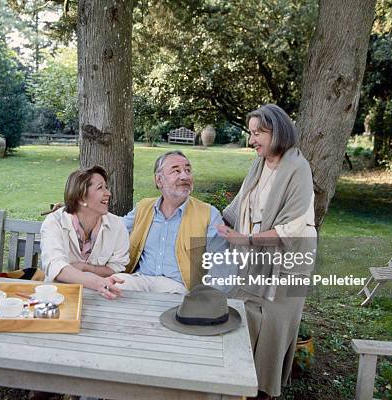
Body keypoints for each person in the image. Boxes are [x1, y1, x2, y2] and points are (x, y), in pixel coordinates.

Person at [217, 104, 316, 399]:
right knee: (244, 313)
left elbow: (292, 229)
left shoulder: (298, 168)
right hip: (255, 256)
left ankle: (263, 390)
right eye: (251, 133)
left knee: (273, 327)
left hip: (287, 261)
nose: (252, 140)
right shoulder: (259, 164)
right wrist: (218, 222)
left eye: (258, 132)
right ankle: (238, 381)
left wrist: (245, 239)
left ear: (279, 130)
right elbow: (241, 204)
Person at [113, 150, 223, 294]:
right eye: (176, 171)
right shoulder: (144, 207)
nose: (184, 176)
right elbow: (115, 229)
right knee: (113, 284)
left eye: (187, 170)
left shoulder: (208, 213)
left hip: (179, 287)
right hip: (141, 280)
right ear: (159, 180)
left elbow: (220, 259)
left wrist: (208, 296)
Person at [40, 165, 128, 300]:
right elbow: (55, 266)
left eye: (106, 187)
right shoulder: (54, 222)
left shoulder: (117, 225)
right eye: (100, 188)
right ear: (81, 199)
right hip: (59, 296)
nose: (108, 193)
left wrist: (86, 268)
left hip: (102, 297)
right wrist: (97, 281)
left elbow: (117, 267)